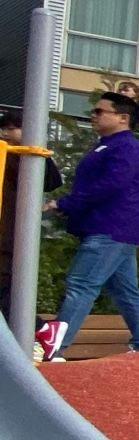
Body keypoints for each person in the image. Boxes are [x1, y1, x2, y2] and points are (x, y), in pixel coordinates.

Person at [45, 94, 139, 356]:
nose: (93, 115)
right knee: (124, 291)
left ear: (122, 117)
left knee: (80, 286)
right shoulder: (110, 146)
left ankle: (53, 349)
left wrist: (66, 204)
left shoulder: (126, 147)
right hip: (115, 228)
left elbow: (110, 185)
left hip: (109, 228)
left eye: (99, 111)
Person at [1, 108, 64, 324]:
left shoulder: (25, 157)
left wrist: (37, 152)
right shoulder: (6, 155)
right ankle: (39, 329)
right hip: (8, 231)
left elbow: (52, 181)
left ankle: (39, 329)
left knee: (6, 289)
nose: (7, 134)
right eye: (5, 129)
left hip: (12, 232)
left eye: (13, 129)